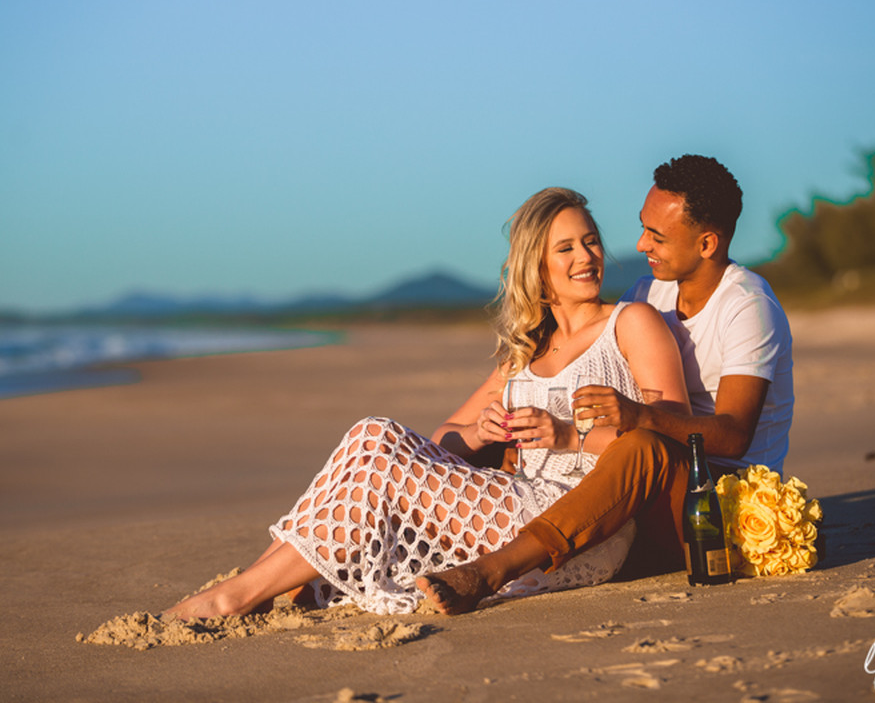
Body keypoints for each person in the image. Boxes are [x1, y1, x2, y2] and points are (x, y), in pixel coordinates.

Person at [165, 187, 690, 619]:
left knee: (385, 476)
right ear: (537, 265)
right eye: (566, 248)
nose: (586, 258)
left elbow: (670, 440)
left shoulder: (630, 323)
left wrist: (567, 435)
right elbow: (441, 444)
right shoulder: (526, 353)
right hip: (514, 500)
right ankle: (258, 585)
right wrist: (482, 434)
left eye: (591, 242)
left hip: (582, 529)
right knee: (372, 434)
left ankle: (237, 595)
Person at [417, 155, 794, 615]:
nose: (639, 244)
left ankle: (494, 570)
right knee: (511, 438)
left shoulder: (748, 308)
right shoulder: (648, 293)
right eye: (642, 228)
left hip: (715, 498)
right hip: (638, 483)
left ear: (707, 243)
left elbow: (733, 435)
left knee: (642, 446)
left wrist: (634, 417)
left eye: (657, 236)